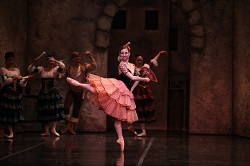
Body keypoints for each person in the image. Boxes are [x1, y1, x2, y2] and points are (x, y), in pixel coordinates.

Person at [65, 42, 150, 151]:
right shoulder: (122, 65)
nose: (124, 55)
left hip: (125, 91)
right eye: (122, 53)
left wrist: (131, 90)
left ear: (129, 54)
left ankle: (120, 139)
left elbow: (135, 80)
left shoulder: (132, 66)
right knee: (98, 90)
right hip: (118, 86)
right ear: (120, 54)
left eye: (126, 53)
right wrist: (144, 79)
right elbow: (132, 78)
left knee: (118, 118)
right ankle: (79, 84)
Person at [127, 50, 167, 137]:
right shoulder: (132, 68)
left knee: (143, 110)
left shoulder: (145, 67)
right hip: (136, 91)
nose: (140, 62)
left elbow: (152, 62)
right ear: (135, 60)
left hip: (144, 91)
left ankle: (143, 131)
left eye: (141, 60)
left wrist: (159, 53)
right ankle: (131, 125)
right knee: (134, 109)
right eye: (138, 60)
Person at [27, 52, 66, 137]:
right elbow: (30, 69)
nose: (51, 62)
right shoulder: (41, 69)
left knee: (53, 110)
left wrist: (55, 60)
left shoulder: (55, 70)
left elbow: (63, 67)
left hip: (51, 91)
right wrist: (35, 61)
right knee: (44, 111)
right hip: (43, 92)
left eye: (52, 61)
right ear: (47, 61)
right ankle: (47, 130)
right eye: (50, 60)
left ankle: (53, 129)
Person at [61, 51, 97, 135]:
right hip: (71, 91)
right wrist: (60, 73)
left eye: (79, 59)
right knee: (66, 108)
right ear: (72, 59)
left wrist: (90, 56)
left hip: (80, 92)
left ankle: (71, 128)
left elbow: (94, 66)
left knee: (76, 110)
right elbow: (62, 75)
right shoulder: (68, 68)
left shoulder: (83, 67)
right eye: (76, 59)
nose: (78, 61)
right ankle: (68, 125)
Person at [0, 52, 31, 138]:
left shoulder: (17, 70)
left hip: (15, 92)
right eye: (9, 60)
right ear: (6, 60)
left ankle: (11, 131)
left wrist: (25, 80)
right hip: (7, 92)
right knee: (6, 112)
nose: (11, 61)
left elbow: (21, 83)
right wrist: (14, 78)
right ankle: (3, 131)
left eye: (12, 60)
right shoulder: (3, 69)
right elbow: (5, 81)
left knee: (13, 112)